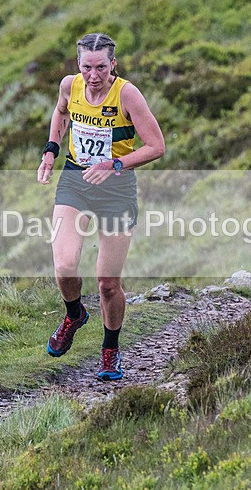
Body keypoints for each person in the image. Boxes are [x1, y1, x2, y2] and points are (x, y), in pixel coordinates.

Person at [37, 32, 165, 380]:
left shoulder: (127, 94)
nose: (93, 76)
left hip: (117, 188)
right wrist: (51, 149)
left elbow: (156, 146)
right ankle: (74, 314)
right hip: (76, 180)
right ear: (78, 65)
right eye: (86, 67)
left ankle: (110, 350)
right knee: (64, 266)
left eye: (101, 68)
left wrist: (115, 165)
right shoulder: (70, 85)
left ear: (113, 65)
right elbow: (61, 113)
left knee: (108, 283)